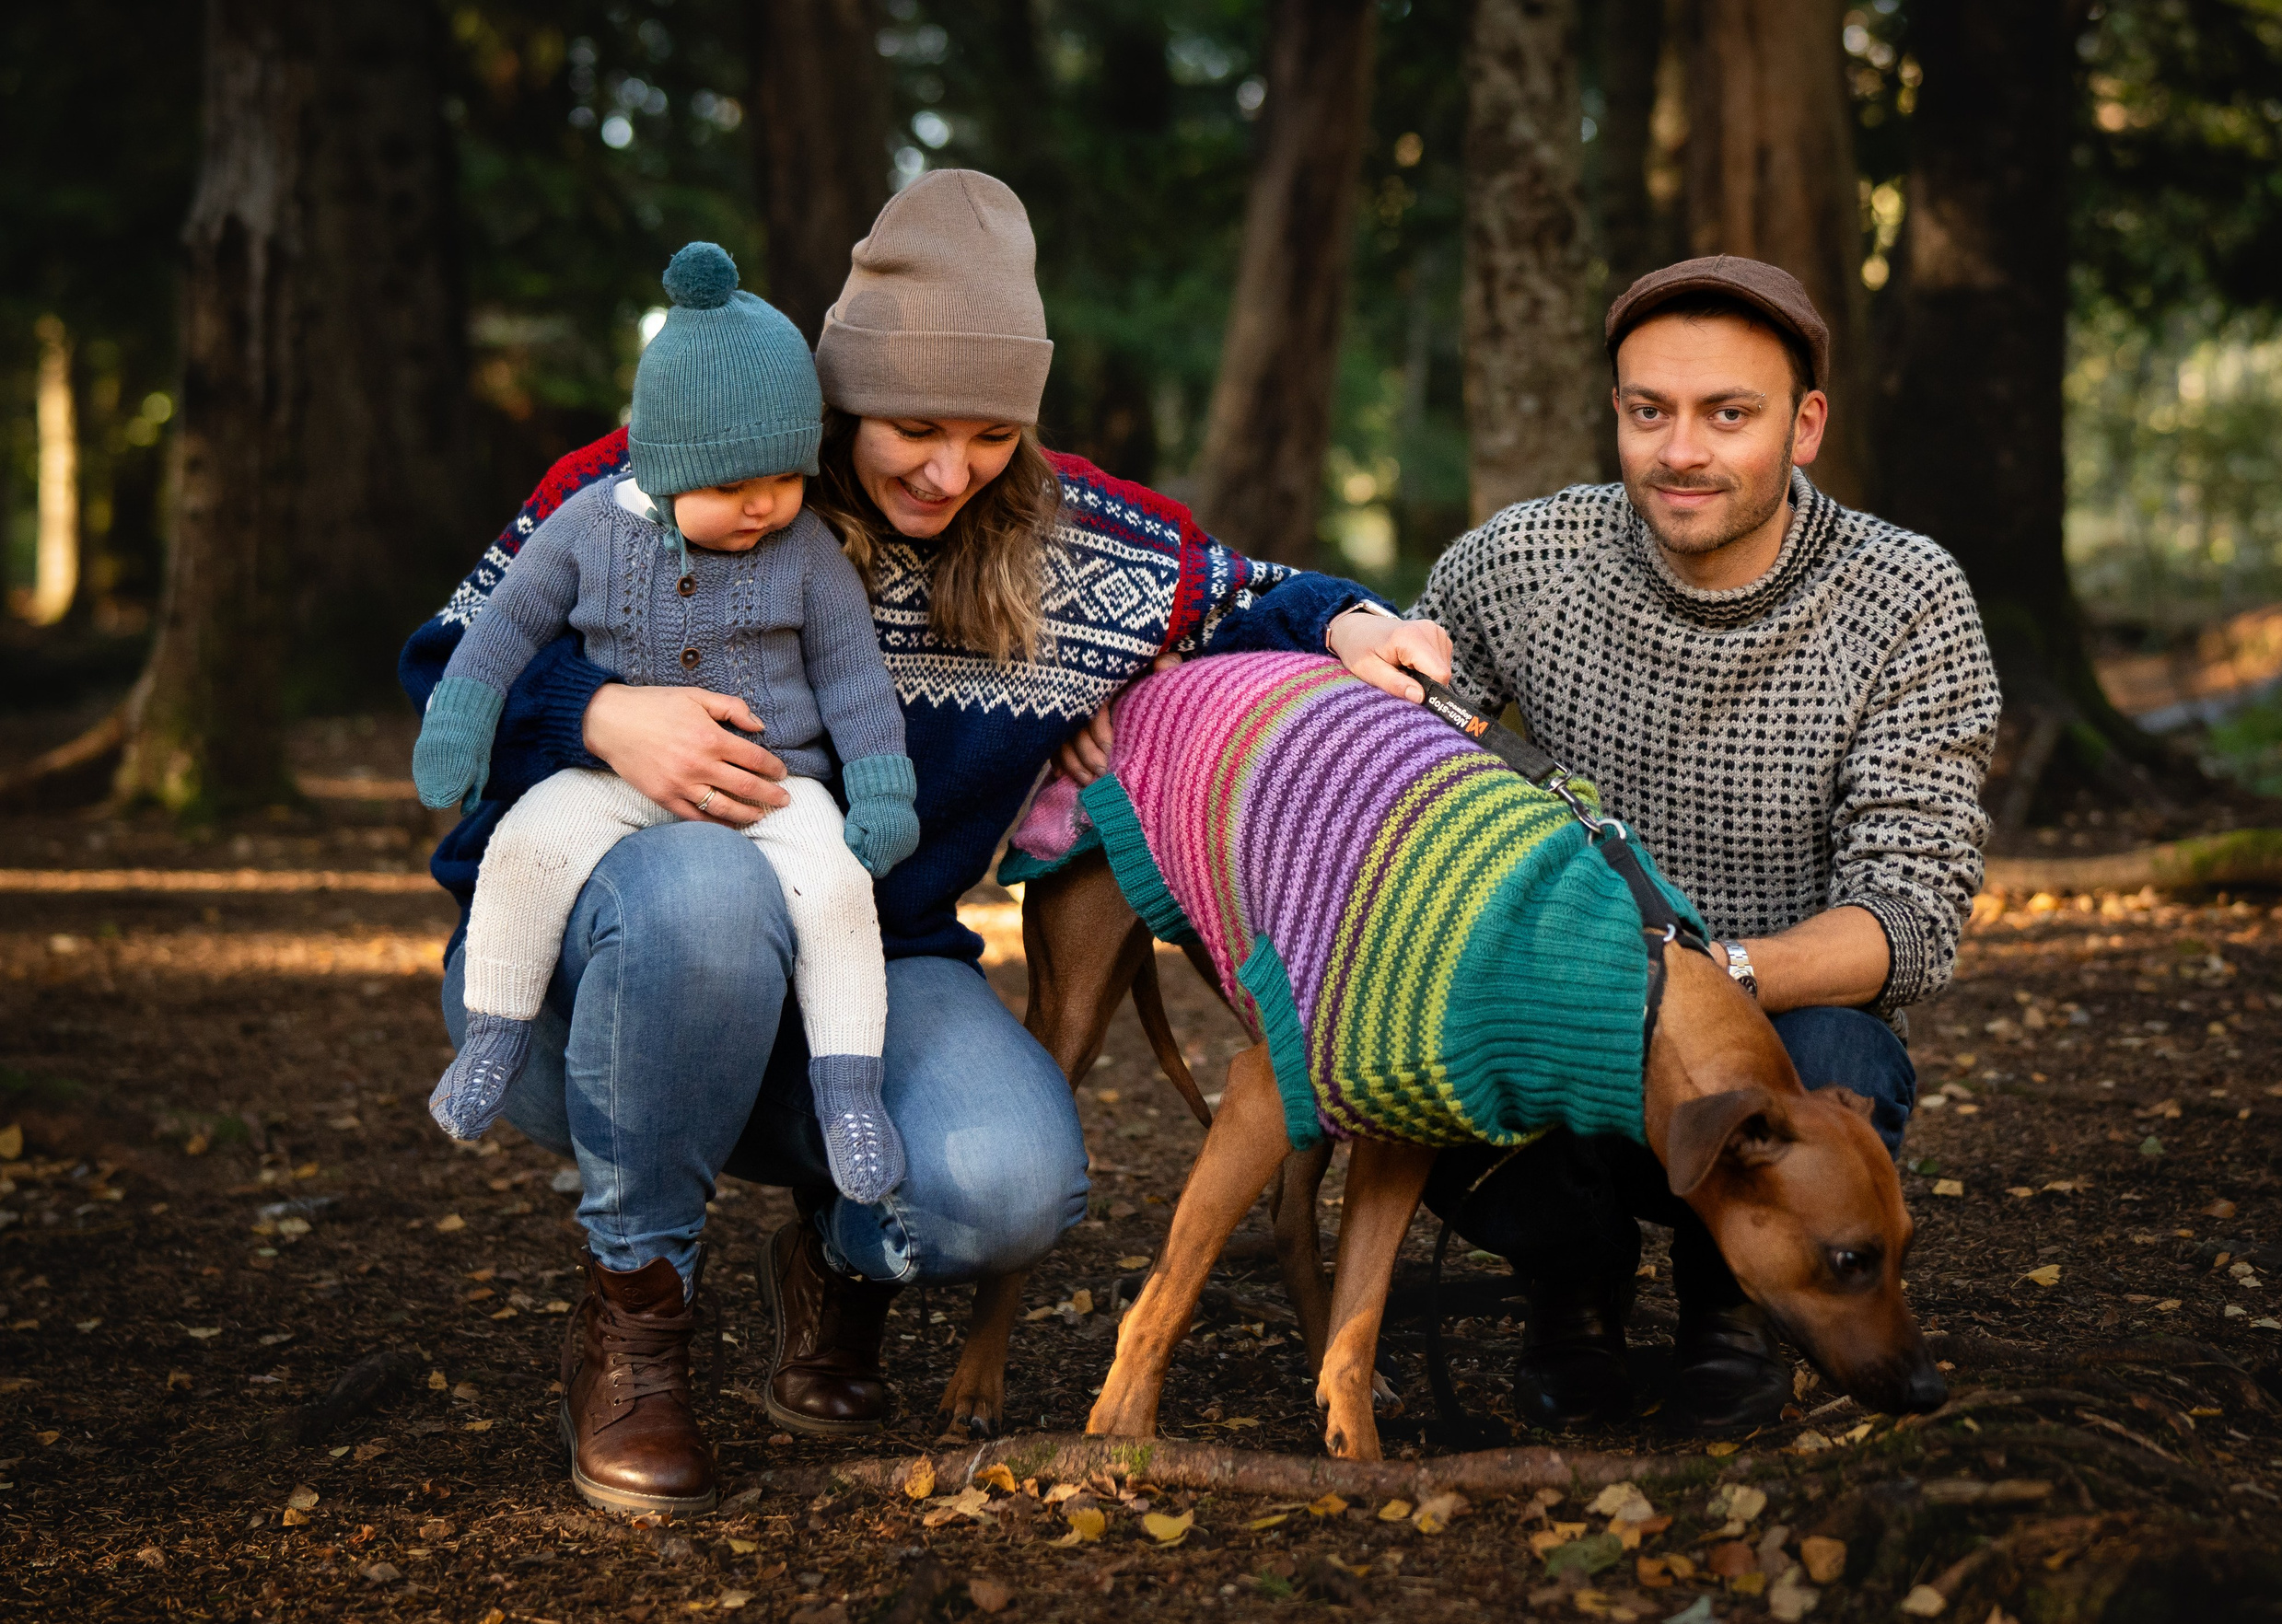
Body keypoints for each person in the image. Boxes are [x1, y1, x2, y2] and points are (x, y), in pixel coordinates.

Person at [395, 169, 1438, 1517]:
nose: (952, 471)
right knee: (707, 891)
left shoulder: (1083, 557)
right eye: (915, 428)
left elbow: (1254, 594)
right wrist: (599, 713)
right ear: (837, 398)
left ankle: (834, 1254)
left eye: (994, 434)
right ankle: (636, 1321)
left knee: (1007, 1186)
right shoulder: (658, 475)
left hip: (867, 961)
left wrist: (1356, 628)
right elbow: (442, 667)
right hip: (587, 977)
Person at [1322, 256, 2001, 1432]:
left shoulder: (1904, 595)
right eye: (1649, 412)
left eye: (1726, 414)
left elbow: (1910, 919)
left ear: (1804, 425)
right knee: (1431, 1048)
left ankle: (1732, 1316)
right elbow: (1395, 787)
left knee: (1846, 1041)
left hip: (1766, 1049)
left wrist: (1693, 982)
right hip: (1550, 1043)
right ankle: (1570, 1292)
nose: (1679, 450)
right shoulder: (1517, 564)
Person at [412, 242, 917, 1214]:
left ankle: (849, 1093)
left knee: (839, 898)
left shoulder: (807, 553)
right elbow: (501, 628)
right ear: (669, 461)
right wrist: (459, 727)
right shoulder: (586, 526)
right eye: (733, 486)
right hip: (609, 779)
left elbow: (854, 678)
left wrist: (882, 789)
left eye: (784, 477)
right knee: (524, 849)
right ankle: (495, 1039)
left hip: (780, 786)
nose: (764, 504)